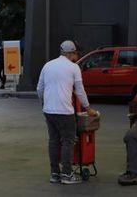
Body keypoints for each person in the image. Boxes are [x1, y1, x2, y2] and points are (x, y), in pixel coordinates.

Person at [37, 40, 99, 185]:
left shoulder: (48, 65)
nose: (77, 55)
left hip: (49, 111)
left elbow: (39, 88)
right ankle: (67, 174)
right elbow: (80, 91)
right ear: (71, 53)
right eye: (76, 53)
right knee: (67, 142)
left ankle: (54, 174)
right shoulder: (73, 68)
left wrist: (44, 104)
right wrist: (88, 108)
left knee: (53, 141)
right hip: (65, 111)